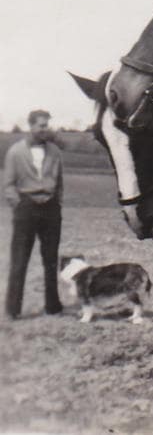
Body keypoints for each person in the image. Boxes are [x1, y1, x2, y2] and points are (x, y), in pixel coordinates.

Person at [3, 109, 64, 319]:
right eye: (42, 125)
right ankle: (13, 309)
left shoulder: (55, 151)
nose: (46, 129)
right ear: (31, 126)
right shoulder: (15, 152)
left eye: (47, 125)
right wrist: (19, 205)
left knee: (51, 260)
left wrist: (57, 204)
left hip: (51, 209)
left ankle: (53, 306)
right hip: (26, 209)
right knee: (19, 259)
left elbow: (60, 183)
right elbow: (8, 184)